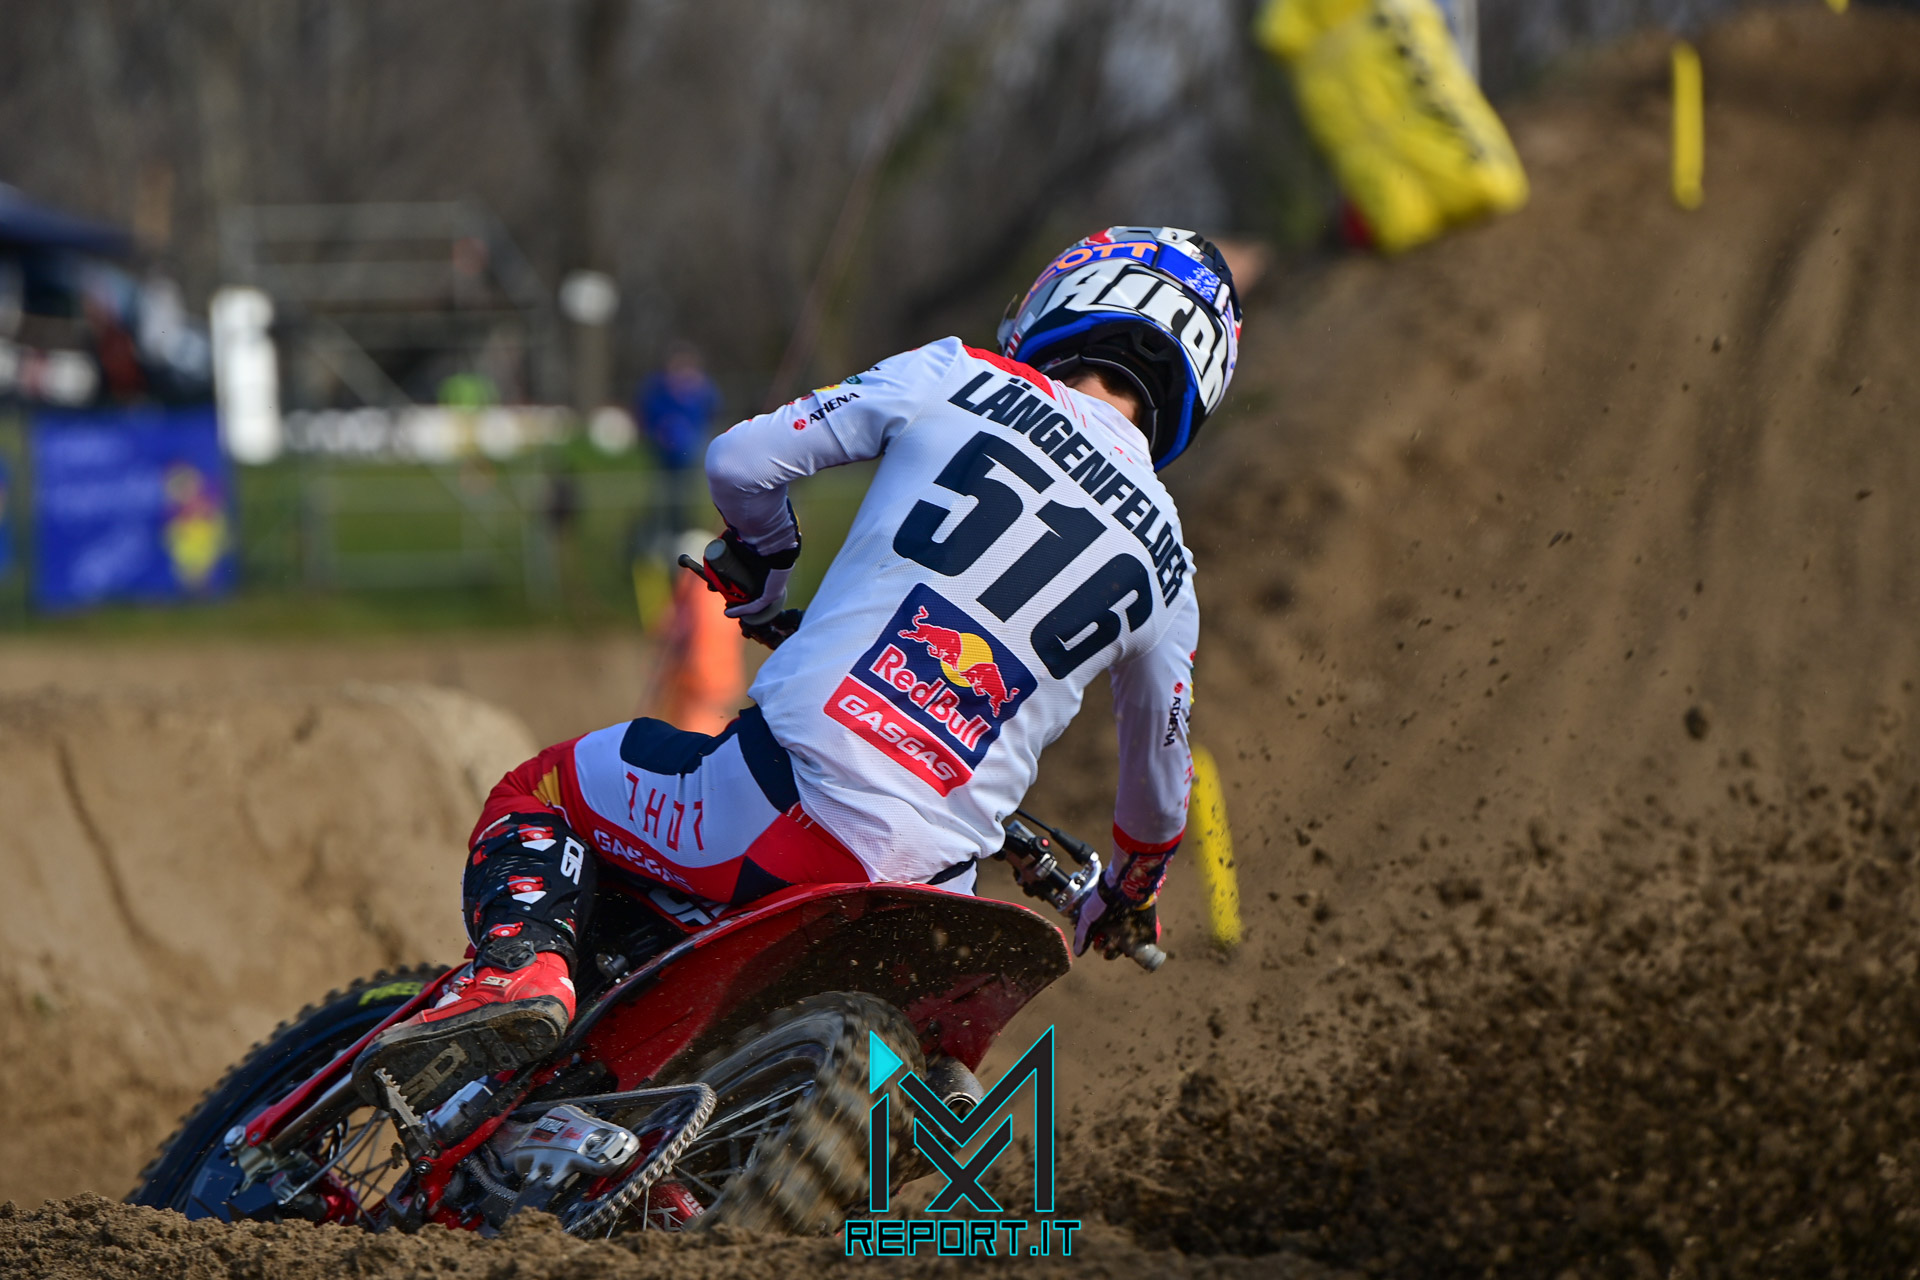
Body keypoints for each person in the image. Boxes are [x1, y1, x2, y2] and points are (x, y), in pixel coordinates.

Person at [356, 227, 1241, 1111]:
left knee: (540, 790)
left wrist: (765, 560)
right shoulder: (1170, 568)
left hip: (778, 805)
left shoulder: (961, 375)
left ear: (1067, 299)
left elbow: (742, 462)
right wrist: (1131, 892)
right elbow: (1158, 800)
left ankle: (522, 975)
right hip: (933, 889)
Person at [636, 341, 721, 535]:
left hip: (690, 456)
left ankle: (686, 531)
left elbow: (713, 412)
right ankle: (663, 533)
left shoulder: (703, 390)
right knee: (664, 498)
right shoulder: (656, 389)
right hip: (663, 456)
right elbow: (647, 416)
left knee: (688, 498)